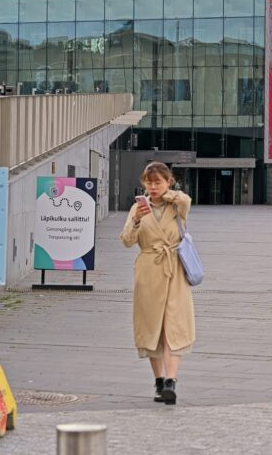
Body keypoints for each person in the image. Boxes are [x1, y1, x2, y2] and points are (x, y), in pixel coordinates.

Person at [120, 161, 196, 405]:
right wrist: (137, 221)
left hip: (174, 268)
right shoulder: (137, 209)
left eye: (158, 182)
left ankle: (171, 381)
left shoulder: (177, 204)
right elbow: (127, 241)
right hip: (149, 269)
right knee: (152, 325)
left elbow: (185, 200)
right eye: (149, 182)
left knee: (173, 324)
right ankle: (159, 381)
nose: (152, 187)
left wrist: (166, 193)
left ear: (168, 182)